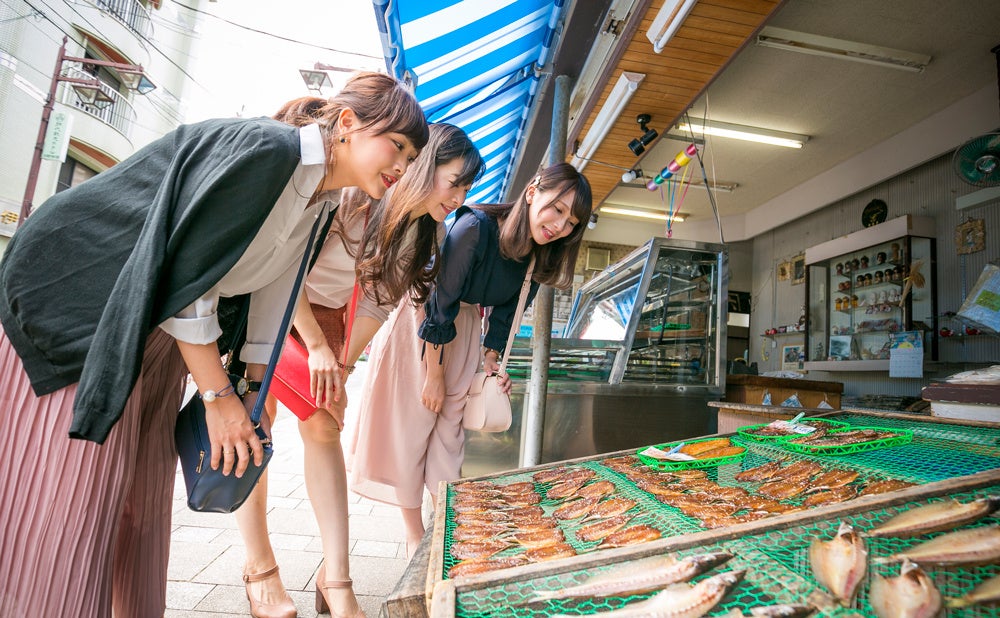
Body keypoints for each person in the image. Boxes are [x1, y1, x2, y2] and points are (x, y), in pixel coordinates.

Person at [0, 72, 427, 618]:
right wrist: (218, 398)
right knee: (78, 501)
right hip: (80, 310)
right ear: (348, 124)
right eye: (398, 146)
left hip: (153, 331)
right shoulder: (270, 151)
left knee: (140, 502)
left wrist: (251, 391)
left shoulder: (320, 197)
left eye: (412, 157)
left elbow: (275, 290)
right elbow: (187, 269)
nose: (402, 167)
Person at [233, 123, 484, 618]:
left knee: (324, 425)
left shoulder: (422, 231)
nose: (459, 197)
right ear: (421, 167)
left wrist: (341, 366)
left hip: (330, 319)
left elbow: (375, 306)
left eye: (467, 188)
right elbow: (282, 267)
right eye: (453, 181)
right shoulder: (354, 194)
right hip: (274, 300)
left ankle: (336, 577)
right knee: (254, 423)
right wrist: (317, 347)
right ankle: (259, 567)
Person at [347, 162, 593, 555]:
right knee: (413, 431)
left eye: (571, 222)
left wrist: (493, 363)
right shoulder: (475, 226)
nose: (561, 226)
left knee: (449, 438)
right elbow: (440, 300)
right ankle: (415, 537)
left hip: (464, 337)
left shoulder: (535, 256)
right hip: (423, 328)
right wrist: (433, 373)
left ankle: (444, 530)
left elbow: (507, 318)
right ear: (533, 191)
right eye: (558, 209)